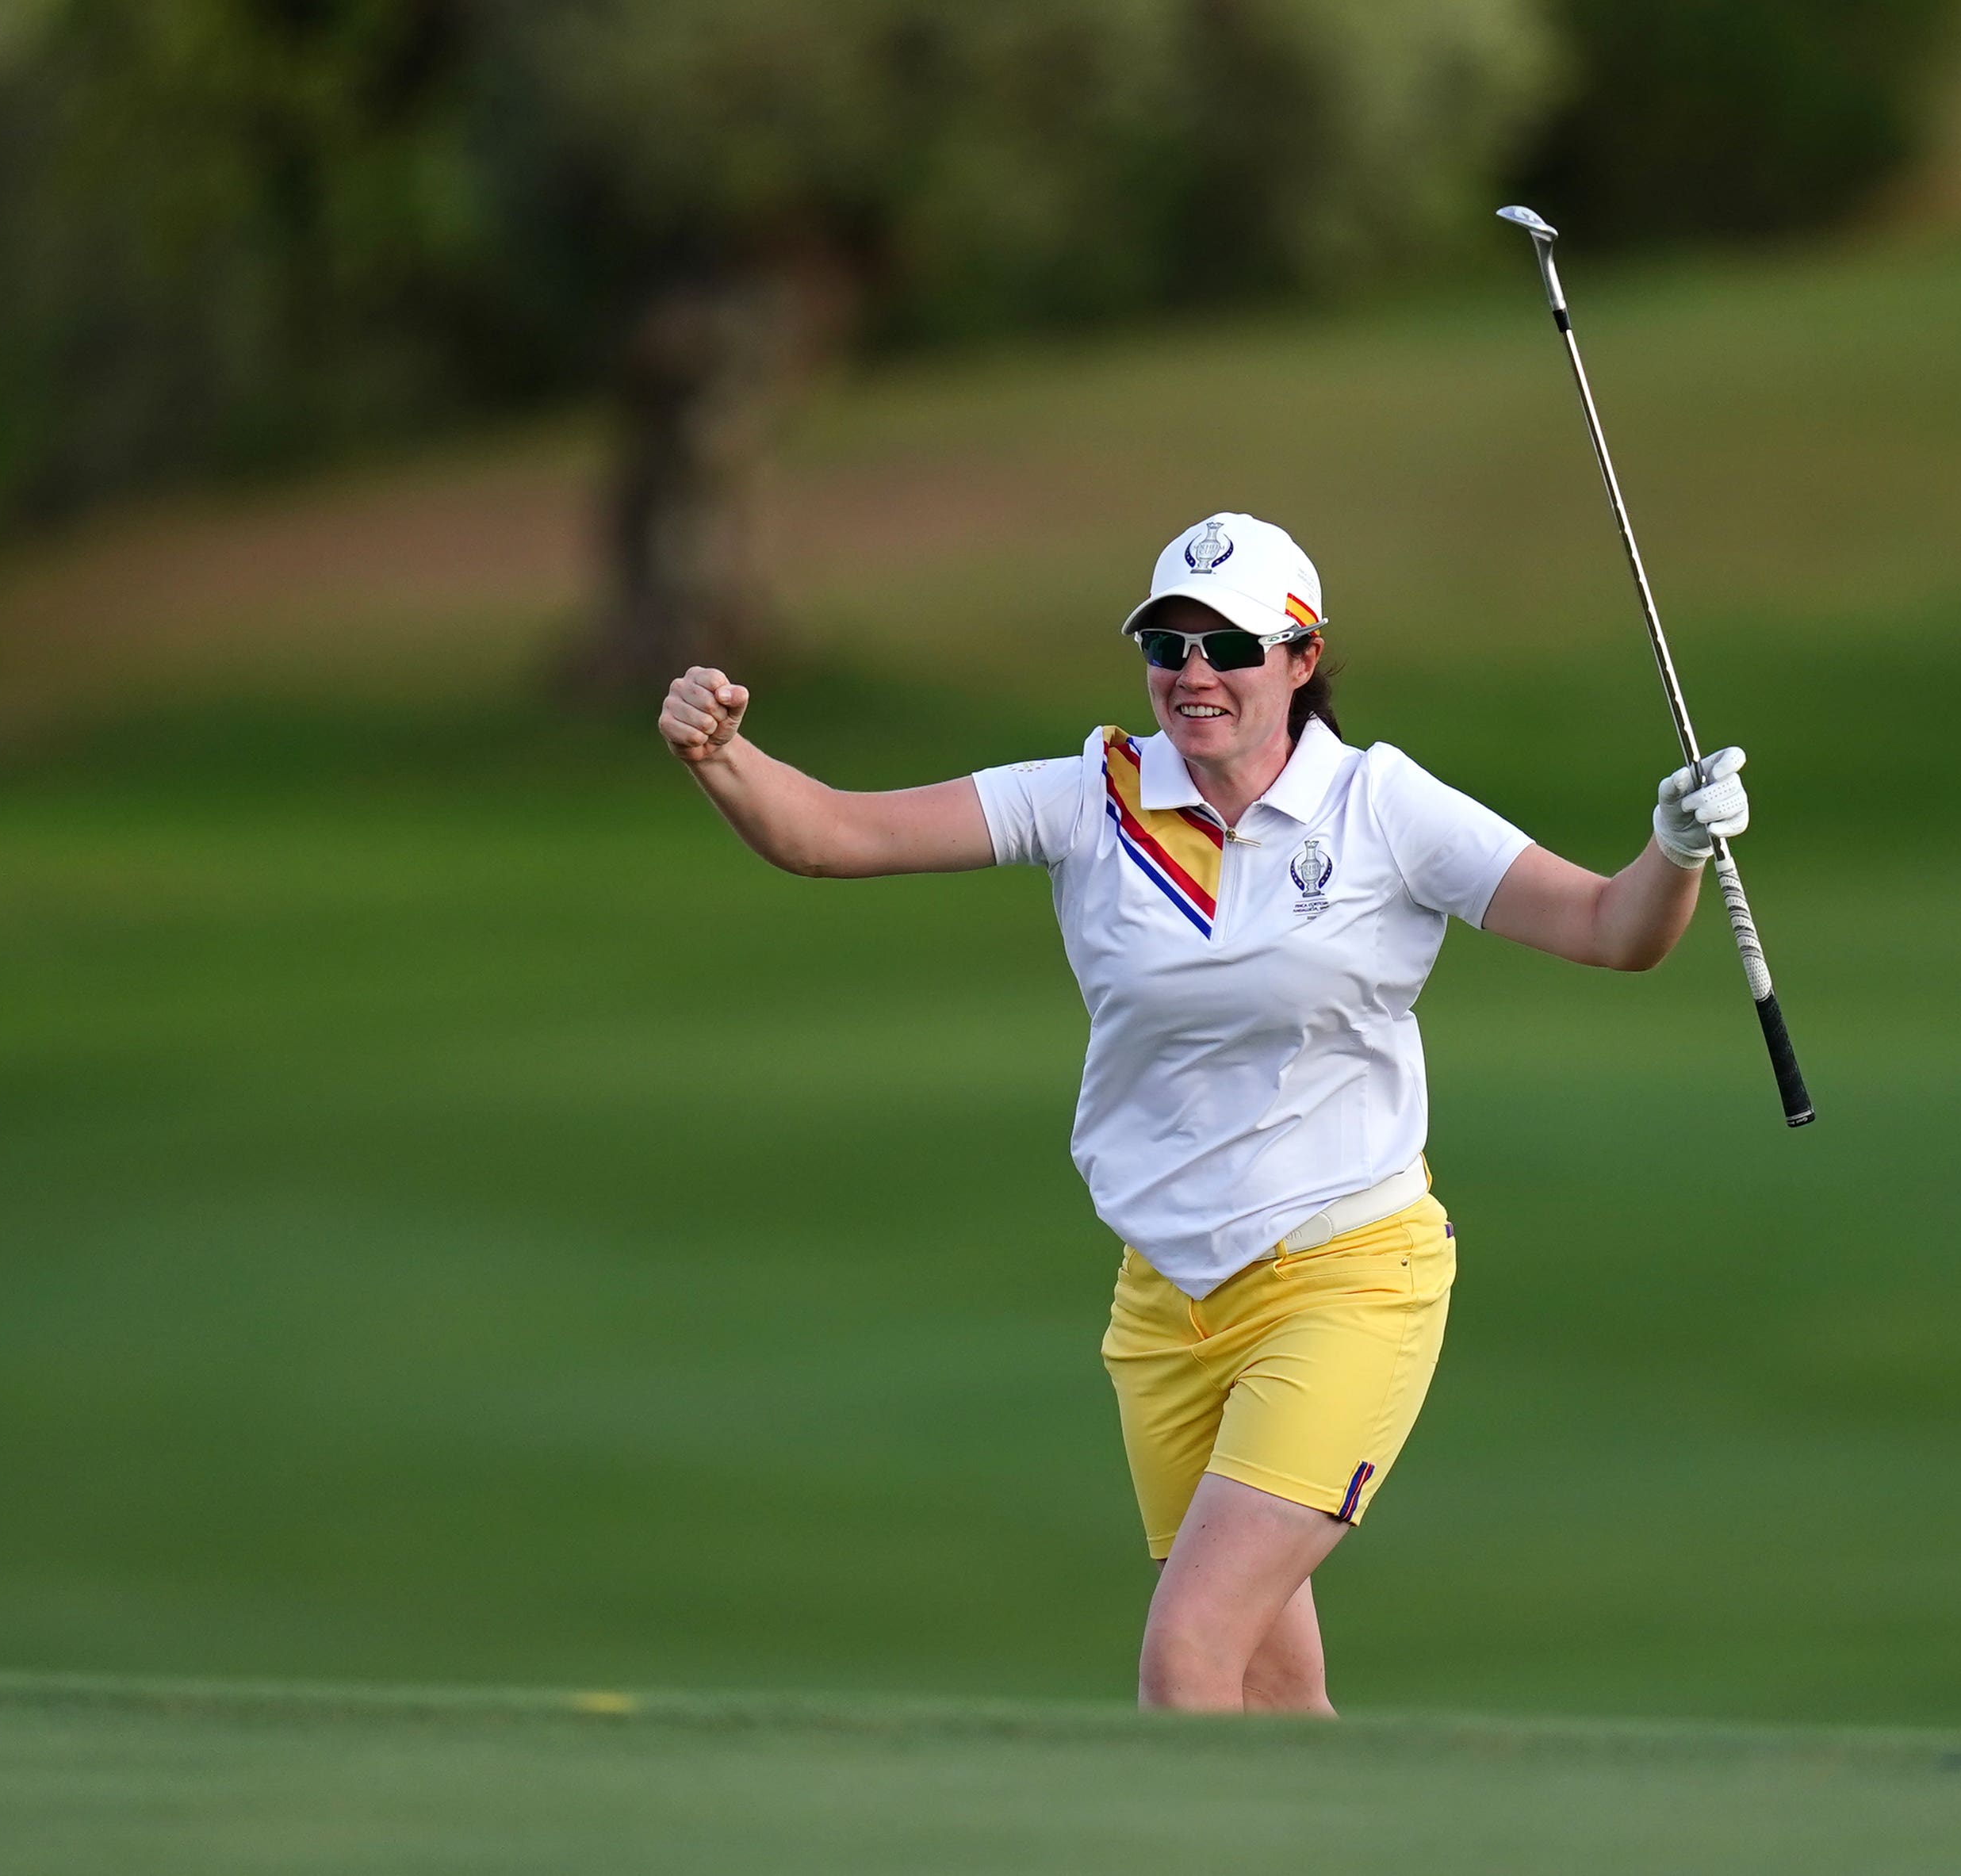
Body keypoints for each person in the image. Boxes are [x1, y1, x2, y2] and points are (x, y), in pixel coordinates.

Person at [657, 511, 1751, 1715]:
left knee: (1186, 1660)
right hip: (1165, 1302)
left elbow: (1608, 929)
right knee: (1278, 1707)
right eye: (1166, 645)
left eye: (1228, 646)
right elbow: (836, 834)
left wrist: (1671, 848)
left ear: (1300, 657)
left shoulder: (1379, 806)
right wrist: (723, 758)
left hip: (1345, 1277)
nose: (1193, 674)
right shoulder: (1095, 795)